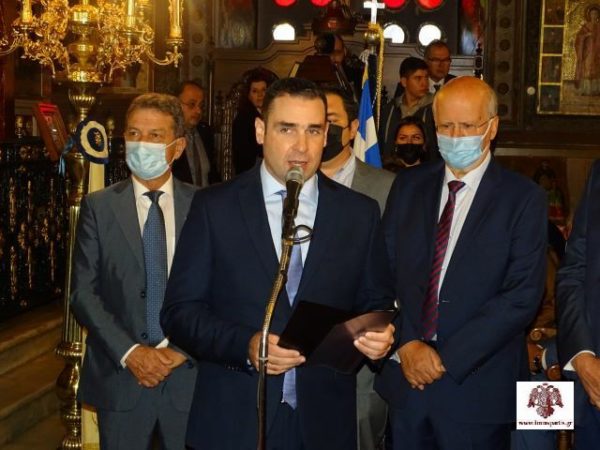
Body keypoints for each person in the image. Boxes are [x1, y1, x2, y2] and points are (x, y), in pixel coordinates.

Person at [160, 77, 396, 450]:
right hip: (235, 420)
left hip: (324, 424)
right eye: (287, 129)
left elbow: (375, 301)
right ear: (260, 130)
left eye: (314, 130)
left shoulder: (359, 213)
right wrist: (246, 345)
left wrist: (380, 337)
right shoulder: (215, 207)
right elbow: (180, 313)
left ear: (326, 135)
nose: (301, 146)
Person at [375, 76, 547, 450]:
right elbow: (381, 273)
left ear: (492, 128)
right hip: (407, 383)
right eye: (446, 126)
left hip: (477, 389)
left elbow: (521, 295)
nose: (455, 136)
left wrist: (444, 358)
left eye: (467, 126)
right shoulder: (408, 186)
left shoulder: (523, 198)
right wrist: (407, 343)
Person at [70, 93, 198, 449]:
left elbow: (219, 288)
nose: (142, 144)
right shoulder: (98, 207)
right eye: (134, 134)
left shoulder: (204, 205)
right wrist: (131, 352)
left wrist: (179, 350)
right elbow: (83, 292)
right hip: (121, 374)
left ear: (178, 147)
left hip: (188, 376)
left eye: (155, 136)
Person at [319, 85, 395, 450]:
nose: (323, 131)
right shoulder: (289, 182)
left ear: (352, 128)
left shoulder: (388, 188)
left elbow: (397, 269)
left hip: (362, 360)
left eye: (331, 121)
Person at [556, 159, 600, 449]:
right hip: (592, 384)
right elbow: (574, 271)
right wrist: (582, 358)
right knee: (531, 418)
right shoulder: (598, 172)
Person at [380, 57, 437, 161]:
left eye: (426, 78)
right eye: (418, 78)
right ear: (404, 82)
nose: (424, 83)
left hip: (426, 167)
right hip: (392, 166)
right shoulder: (390, 108)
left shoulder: (436, 107)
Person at [173, 80, 220, 186]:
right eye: (192, 104)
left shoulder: (205, 132)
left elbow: (212, 173)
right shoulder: (169, 136)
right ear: (176, 104)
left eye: (201, 106)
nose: (198, 111)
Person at [232, 68, 277, 175]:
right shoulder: (243, 119)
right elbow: (242, 157)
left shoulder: (276, 114)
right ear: (248, 95)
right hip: (252, 173)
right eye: (255, 91)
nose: (260, 95)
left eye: (263, 90)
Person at [574, 5, 600, 96]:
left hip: (598, 52)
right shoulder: (586, 26)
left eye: (596, 14)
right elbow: (578, 38)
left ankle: (596, 90)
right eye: (592, 14)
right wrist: (586, 35)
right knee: (587, 69)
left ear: (598, 15)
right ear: (589, 15)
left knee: (597, 69)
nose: (594, 15)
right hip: (587, 52)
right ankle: (587, 90)